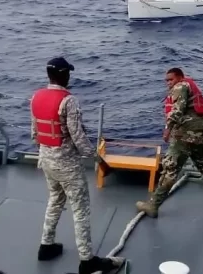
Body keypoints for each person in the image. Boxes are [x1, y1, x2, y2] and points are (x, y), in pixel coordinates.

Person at [31, 57, 122, 274]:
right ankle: (87, 260)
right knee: (80, 210)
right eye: (68, 73)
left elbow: (35, 134)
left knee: (55, 200)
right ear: (63, 75)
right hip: (68, 165)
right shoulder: (69, 101)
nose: (70, 76)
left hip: (46, 160)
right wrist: (97, 158)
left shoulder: (36, 97)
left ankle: (46, 245)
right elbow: (79, 137)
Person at [135, 67, 203, 217]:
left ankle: (153, 205)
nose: (168, 83)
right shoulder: (189, 86)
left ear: (179, 77)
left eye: (171, 79)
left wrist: (167, 129)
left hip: (185, 135)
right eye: (166, 80)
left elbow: (177, 110)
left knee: (170, 169)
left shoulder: (180, 86)